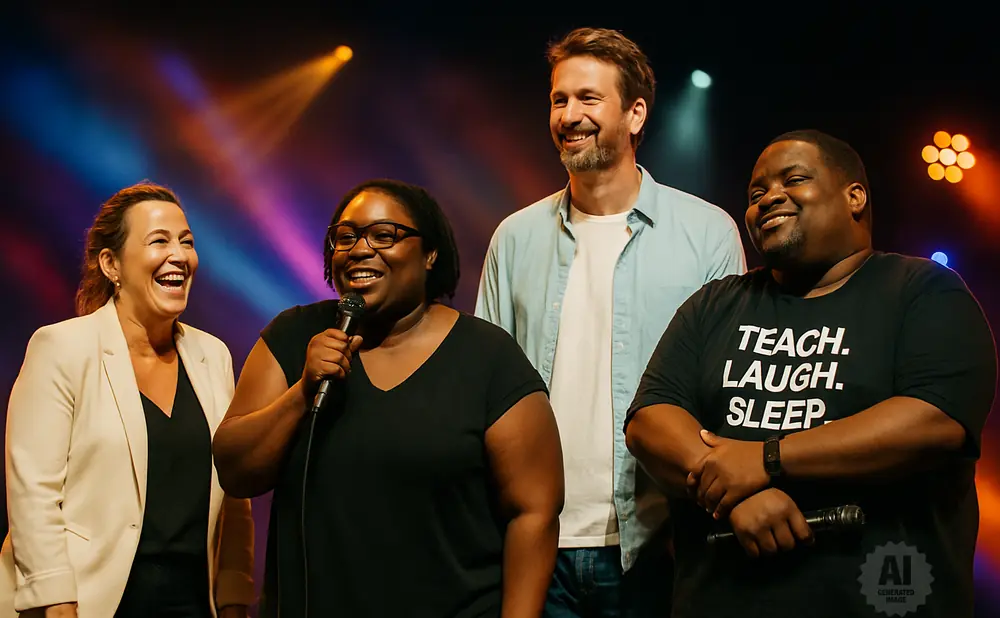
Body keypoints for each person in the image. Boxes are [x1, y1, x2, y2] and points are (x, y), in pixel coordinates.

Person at [625, 129, 998, 618]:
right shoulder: (715, 303)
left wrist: (768, 460)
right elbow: (649, 418)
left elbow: (935, 420)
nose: (769, 198)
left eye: (793, 179)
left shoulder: (923, 291)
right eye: (756, 194)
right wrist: (732, 497)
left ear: (855, 197)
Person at [474, 27, 745, 616]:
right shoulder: (514, 238)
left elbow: (729, 394)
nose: (570, 114)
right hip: (534, 544)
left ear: (636, 113)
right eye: (559, 99)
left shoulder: (707, 234)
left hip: (659, 543)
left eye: (588, 98)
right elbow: (483, 395)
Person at [212, 178, 565, 617]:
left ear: (430, 253)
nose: (360, 249)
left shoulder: (487, 356)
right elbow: (235, 469)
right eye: (345, 237)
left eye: (384, 235)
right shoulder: (293, 337)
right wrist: (302, 391)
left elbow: (535, 509)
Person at [0, 183, 255, 618]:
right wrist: (56, 599)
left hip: (192, 602)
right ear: (111, 265)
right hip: (88, 601)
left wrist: (234, 594)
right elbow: (33, 492)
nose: (179, 255)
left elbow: (234, 493)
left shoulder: (213, 356)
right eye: (159, 241)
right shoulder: (62, 347)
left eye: (187, 242)